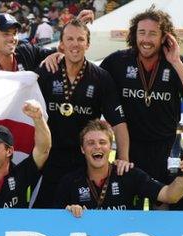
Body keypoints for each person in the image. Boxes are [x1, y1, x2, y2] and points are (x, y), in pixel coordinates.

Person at [99, 6, 183, 190]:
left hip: (165, 150)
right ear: (134, 34)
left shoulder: (175, 62)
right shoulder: (117, 61)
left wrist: (176, 62)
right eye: (142, 33)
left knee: (162, 208)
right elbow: (90, 78)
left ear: (164, 37)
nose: (146, 40)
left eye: (152, 34)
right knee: (128, 210)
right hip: (129, 150)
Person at [34, 19, 129, 208]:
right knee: (45, 213)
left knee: (81, 214)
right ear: (61, 44)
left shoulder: (101, 77)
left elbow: (118, 122)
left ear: (88, 44)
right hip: (49, 158)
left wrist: (123, 158)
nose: (75, 44)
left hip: (83, 161)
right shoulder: (47, 70)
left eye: (80, 39)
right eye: (69, 39)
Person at [55, 120, 183, 217]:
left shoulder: (128, 174)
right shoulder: (70, 181)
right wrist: (67, 213)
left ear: (110, 147)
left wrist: (182, 178)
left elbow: (169, 195)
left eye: (102, 142)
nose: (97, 146)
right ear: (82, 149)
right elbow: (53, 220)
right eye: (91, 143)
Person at [0, 11, 94, 71]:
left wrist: (74, 27)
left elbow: (62, 50)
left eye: (14, 33)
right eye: (6, 34)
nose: (12, 38)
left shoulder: (26, 51)